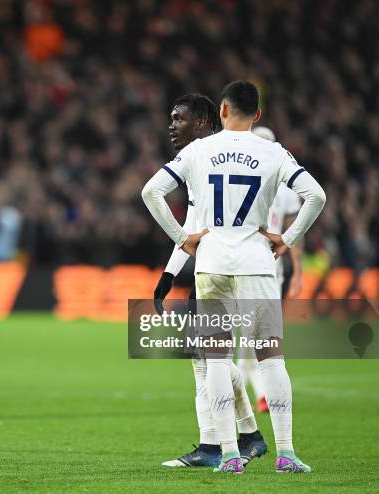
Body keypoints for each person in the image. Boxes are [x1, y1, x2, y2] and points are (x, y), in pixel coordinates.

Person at [142, 81, 325, 474]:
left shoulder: (197, 151)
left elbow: (151, 192)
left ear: (222, 111)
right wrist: (288, 239)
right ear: (257, 115)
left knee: (216, 360)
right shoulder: (274, 152)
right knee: (271, 360)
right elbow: (316, 196)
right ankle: (286, 454)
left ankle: (228, 454)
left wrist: (182, 239)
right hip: (258, 263)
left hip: (212, 264)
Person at [153, 94, 267, 469]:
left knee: (208, 359)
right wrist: (170, 272)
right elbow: (193, 228)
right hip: (229, 271)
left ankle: (216, 445)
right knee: (206, 359)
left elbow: (185, 228)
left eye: (179, 118)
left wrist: (175, 261)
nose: (171, 125)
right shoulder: (210, 159)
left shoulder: (203, 158)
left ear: (203, 122)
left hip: (225, 272)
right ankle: (245, 436)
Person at [236, 126, 304, 413]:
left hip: (267, 266)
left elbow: (294, 229)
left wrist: (297, 270)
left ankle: (256, 394)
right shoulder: (241, 178)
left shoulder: (286, 185)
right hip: (246, 264)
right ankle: (261, 394)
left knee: (254, 338)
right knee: (251, 337)